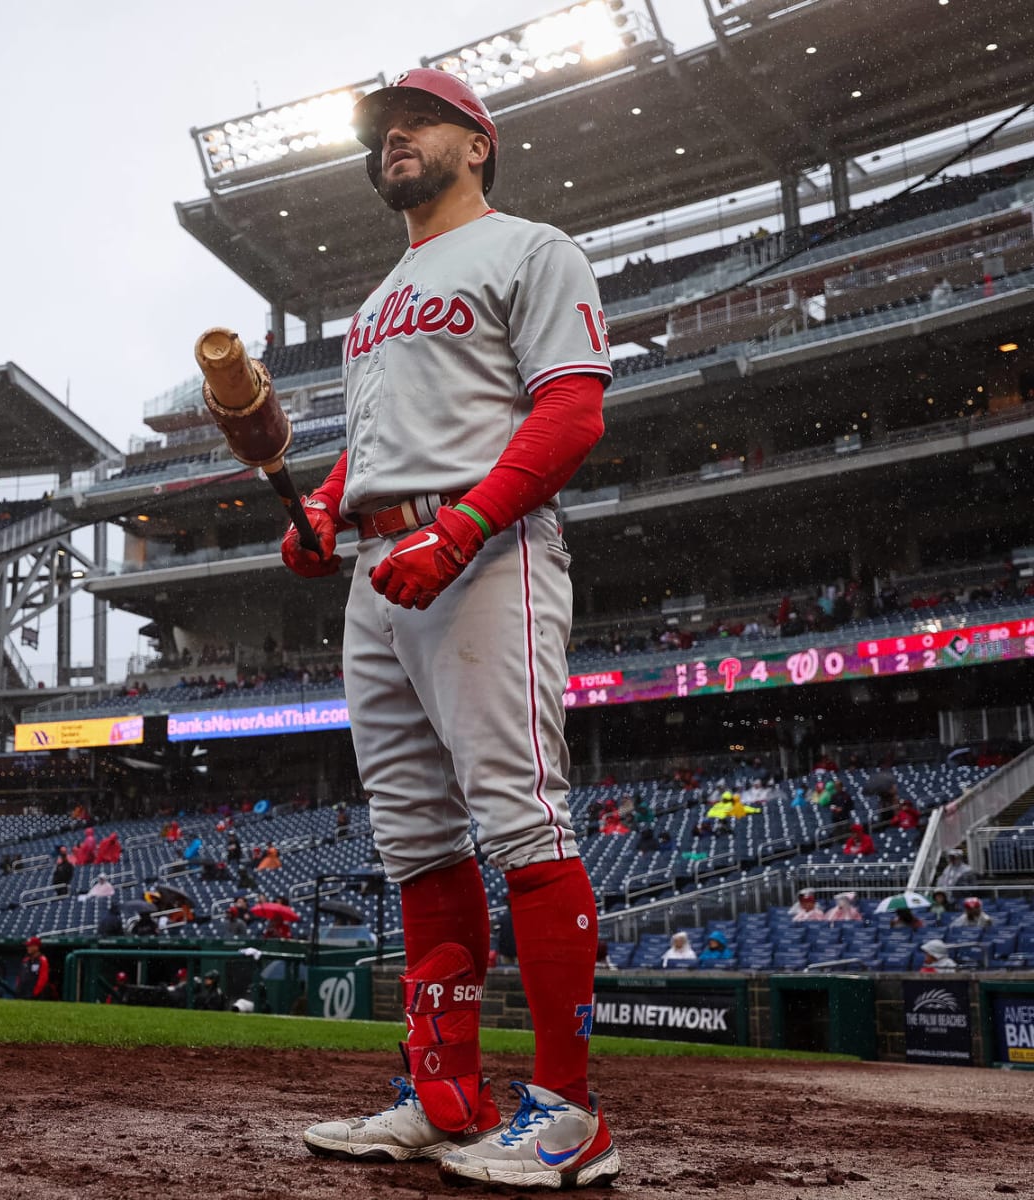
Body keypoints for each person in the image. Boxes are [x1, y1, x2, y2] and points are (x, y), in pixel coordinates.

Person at [292, 68, 618, 1191]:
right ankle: (445, 1098)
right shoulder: (380, 296)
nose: (393, 137)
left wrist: (467, 523)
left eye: (416, 121)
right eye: (382, 128)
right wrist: (330, 504)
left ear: (477, 143)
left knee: (520, 821)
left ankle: (571, 1120)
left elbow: (571, 409)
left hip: (485, 551)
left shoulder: (532, 248)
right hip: (380, 565)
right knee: (416, 839)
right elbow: (381, 433)